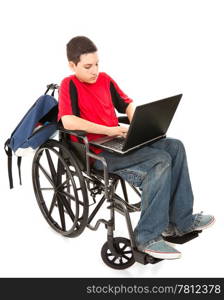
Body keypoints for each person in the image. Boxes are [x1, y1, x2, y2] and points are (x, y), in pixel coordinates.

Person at [58, 36, 215, 260]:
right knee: (160, 161)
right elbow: (68, 121)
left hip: (118, 141)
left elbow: (127, 103)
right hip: (96, 151)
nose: (94, 70)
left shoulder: (104, 79)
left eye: (97, 64)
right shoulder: (69, 84)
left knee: (175, 147)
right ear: (72, 65)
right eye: (87, 66)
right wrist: (108, 130)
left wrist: (138, 124)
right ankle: (147, 237)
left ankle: (181, 222)